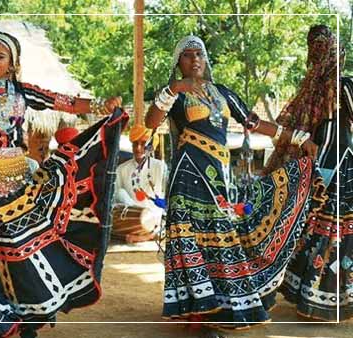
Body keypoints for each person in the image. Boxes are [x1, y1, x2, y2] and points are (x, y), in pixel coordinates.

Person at [0, 31, 125, 338]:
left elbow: (66, 103)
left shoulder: (23, 91)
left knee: (19, 251)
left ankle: (25, 316)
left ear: (13, 64)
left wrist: (101, 105)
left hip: (18, 184)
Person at [144, 35, 318, 337]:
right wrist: (174, 89)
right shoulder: (175, 95)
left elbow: (253, 122)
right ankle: (197, 314)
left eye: (199, 53)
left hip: (220, 180)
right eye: (186, 55)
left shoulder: (222, 93)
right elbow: (150, 121)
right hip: (189, 177)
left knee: (221, 240)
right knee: (193, 241)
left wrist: (299, 138)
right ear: (178, 63)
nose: (194, 59)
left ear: (205, 58)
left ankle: (220, 312)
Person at [268, 25, 352, 321]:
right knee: (337, 231)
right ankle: (330, 299)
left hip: (316, 170)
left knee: (316, 227)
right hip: (343, 166)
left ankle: (308, 296)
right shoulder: (342, 87)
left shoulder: (310, 90)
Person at [113, 124, 167, 243]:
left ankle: (148, 235)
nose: (138, 148)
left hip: (154, 219)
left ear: (150, 147)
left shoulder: (160, 167)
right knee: (120, 193)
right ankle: (145, 235)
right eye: (135, 144)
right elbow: (116, 200)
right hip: (130, 220)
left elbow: (166, 196)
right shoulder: (121, 169)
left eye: (143, 144)